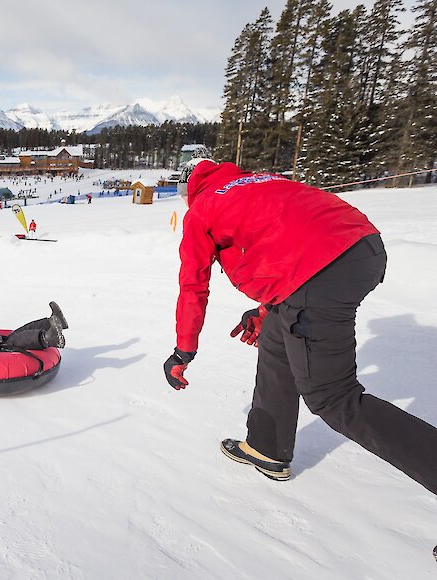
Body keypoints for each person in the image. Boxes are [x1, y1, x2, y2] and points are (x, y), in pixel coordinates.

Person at [164, 158, 437, 494]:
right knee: (277, 334)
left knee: (334, 398)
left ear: (189, 186)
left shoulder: (203, 208)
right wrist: (268, 308)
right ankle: (266, 446)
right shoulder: (262, 179)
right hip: (364, 248)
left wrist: (183, 350)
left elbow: (193, 285)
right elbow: (291, 239)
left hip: (320, 271)